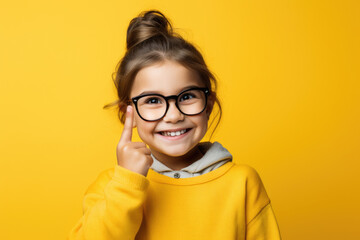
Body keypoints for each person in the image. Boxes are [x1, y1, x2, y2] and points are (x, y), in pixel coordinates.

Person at [68, 10, 281, 240]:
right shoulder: (111, 186)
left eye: (187, 96)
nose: (173, 115)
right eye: (152, 100)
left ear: (208, 104)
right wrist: (127, 184)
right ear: (127, 112)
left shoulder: (243, 183)